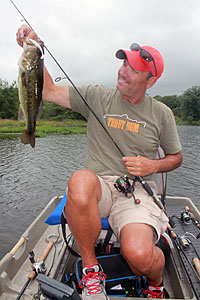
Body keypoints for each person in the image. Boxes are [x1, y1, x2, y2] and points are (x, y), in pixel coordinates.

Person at [16, 25, 183, 300]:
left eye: (133, 69)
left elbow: (176, 158)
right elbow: (47, 90)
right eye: (124, 64)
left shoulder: (162, 113)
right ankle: (92, 272)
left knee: (140, 256)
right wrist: (34, 45)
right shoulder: (96, 95)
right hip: (100, 187)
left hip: (137, 191)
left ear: (150, 81)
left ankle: (155, 283)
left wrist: (152, 166)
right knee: (79, 180)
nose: (123, 71)